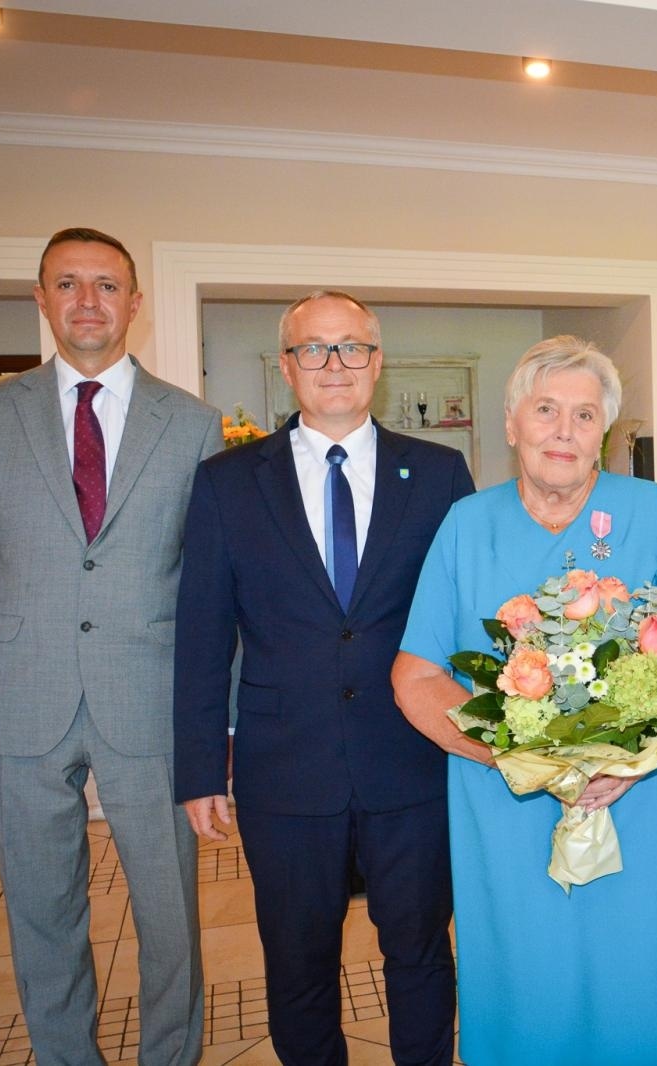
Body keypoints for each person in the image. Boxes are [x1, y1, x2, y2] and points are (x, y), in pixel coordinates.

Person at [0, 227, 218, 1065]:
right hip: (17, 702)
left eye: (106, 285)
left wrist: (216, 720)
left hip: (150, 702)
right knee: (41, 914)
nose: (88, 301)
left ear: (135, 302)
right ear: (42, 299)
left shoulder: (192, 423)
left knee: (170, 919)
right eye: (68, 284)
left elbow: (207, 588)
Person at [392, 336, 657, 1065]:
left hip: (640, 800)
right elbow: (415, 676)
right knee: (524, 984)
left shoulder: (651, 510)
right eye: (545, 410)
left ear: (603, 433)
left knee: (636, 983)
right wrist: (517, 758)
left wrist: (631, 763)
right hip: (506, 804)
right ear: (512, 425)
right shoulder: (466, 525)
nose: (563, 430)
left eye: (583, 414)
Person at [173, 291, 473, 1065]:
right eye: (314, 349)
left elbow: (472, 625)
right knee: (300, 965)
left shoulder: (439, 474)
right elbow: (203, 635)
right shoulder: (228, 482)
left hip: (411, 762)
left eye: (350, 348)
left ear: (377, 362)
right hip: (284, 768)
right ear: (287, 366)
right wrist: (201, 768)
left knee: (420, 953)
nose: (333, 365)